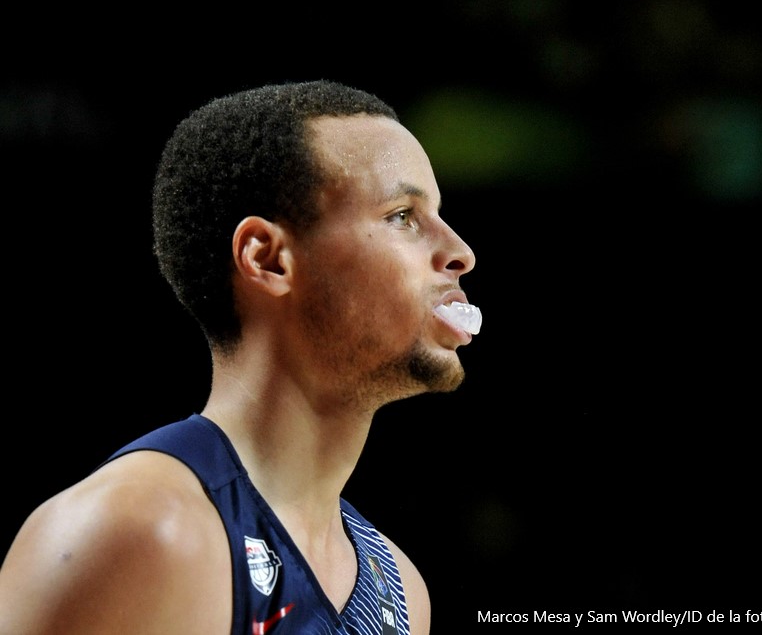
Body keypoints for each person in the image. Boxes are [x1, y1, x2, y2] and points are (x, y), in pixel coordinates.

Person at [0, 80, 481, 634]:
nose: (460, 252)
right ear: (269, 259)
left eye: (438, 214)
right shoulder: (139, 532)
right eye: (402, 216)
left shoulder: (399, 587)